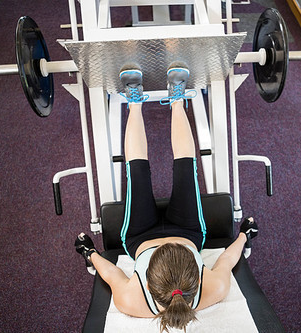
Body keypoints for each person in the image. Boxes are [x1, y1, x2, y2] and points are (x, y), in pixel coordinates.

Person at [75, 63, 259, 332]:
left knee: (136, 172)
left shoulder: (131, 300)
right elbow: (226, 261)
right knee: (186, 168)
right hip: (188, 232)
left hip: (139, 237)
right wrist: (245, 235)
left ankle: (134, 101)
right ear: (199, 275)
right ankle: (176, 99)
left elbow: (112, 273)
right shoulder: (214, 288)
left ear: (145, 283)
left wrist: (89, 253)